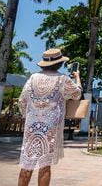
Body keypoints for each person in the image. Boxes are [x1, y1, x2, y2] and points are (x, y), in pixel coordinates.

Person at [17, 48, 82, 186]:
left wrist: (29, 117)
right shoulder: (62, 79)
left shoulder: (32, 78)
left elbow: (22, 101)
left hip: (31, 126)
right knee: (45, 165)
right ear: (59, 64)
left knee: (26, 163)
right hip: (50, 127)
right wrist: (77, 78)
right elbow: (77, 95)